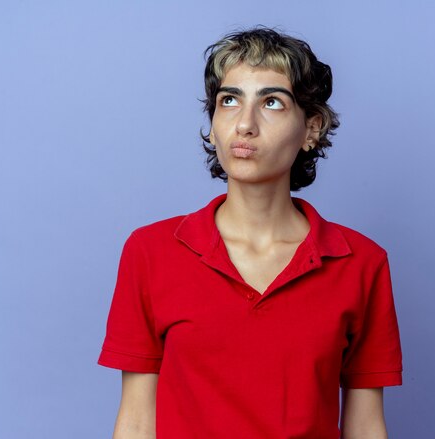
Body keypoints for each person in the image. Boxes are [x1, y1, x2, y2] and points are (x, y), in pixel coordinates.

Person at [98, 26, 403, 439]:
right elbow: (136, 422)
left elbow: (365, 426)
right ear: (212, 123)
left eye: (272, 102)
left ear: (311, 129)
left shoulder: (361, 263)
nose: (245, 124)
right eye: (229, 101)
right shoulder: (150, 252)